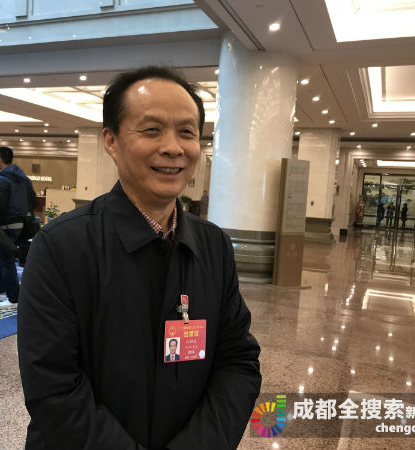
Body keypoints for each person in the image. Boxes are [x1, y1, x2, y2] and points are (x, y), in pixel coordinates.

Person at [17, 66, 261, 450]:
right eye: (151, 130)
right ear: (111, 141)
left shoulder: (213, 245)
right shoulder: (61, 245)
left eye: (187, 132)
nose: (173, 147)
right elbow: (53, 385)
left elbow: (238, 361)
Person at [0, 146, 36, 308]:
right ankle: (1, 290)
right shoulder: (23, 178)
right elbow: (33, 200)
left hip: (7, 225)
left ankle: (14, 298)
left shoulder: (2, 179)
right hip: (19, 223)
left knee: (6, 260)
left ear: (0, 159)